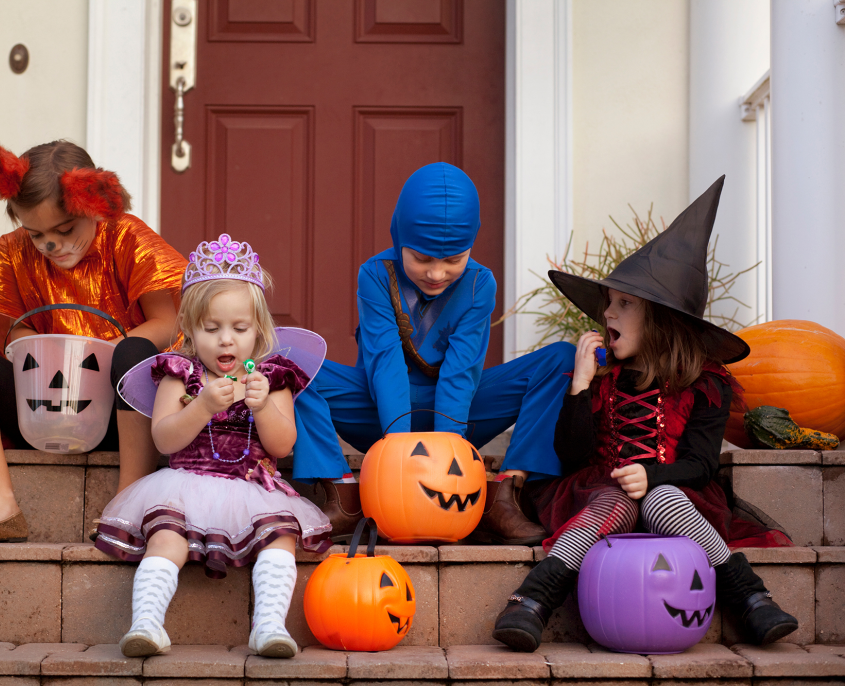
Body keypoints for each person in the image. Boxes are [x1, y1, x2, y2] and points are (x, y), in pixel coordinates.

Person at [492, 176, 797, 652]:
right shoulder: (603, 379)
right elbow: (570, 456)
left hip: (677, 495)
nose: (608, 314)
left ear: (661, 318)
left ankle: (750, 596)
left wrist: (654, 477)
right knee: (617, 498)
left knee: (661, 499)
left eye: (624, 304)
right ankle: (531, 599)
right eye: (608, 304)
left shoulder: (705, 383)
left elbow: (701, 463)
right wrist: (579, 387)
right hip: (600, 494)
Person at [292, 162, 575, 544]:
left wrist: (446, 459)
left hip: (461, 415)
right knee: (291, 363)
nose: (437, 274)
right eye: (422, 259)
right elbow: (385, 361)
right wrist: (397, 455)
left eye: (453, 260)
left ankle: (502, 497)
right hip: (378, 413)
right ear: (399, 238)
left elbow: (462, 373)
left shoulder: (479, 284)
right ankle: (343, 496)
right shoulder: (375, 276)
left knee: (559, 360)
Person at [0, 131, 186, 543]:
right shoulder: (14, 252)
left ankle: (129, 500)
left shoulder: (126, 238)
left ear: (96, 205)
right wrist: (42, 351)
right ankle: (1, 505)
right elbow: (12, 333)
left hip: (121, 413)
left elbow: (168, 321)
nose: (52, 244)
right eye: (36, 234)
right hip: (46, 407)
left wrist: (106, 355)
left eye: (65, 229)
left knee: (134, 352)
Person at [94, 234, 332, 658]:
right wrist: (200, 406)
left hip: (251, 490)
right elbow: (164, 438)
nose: (226, 340)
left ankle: (269, 627)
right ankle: (147, 623)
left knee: (280, 539)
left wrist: (262, 408)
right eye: (212, 328)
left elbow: (283, 443)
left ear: (258, 330)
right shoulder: (180, 375)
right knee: (166, 538)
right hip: (184, 483)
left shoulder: (270, 379)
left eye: (239, 329)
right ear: (188, 329)